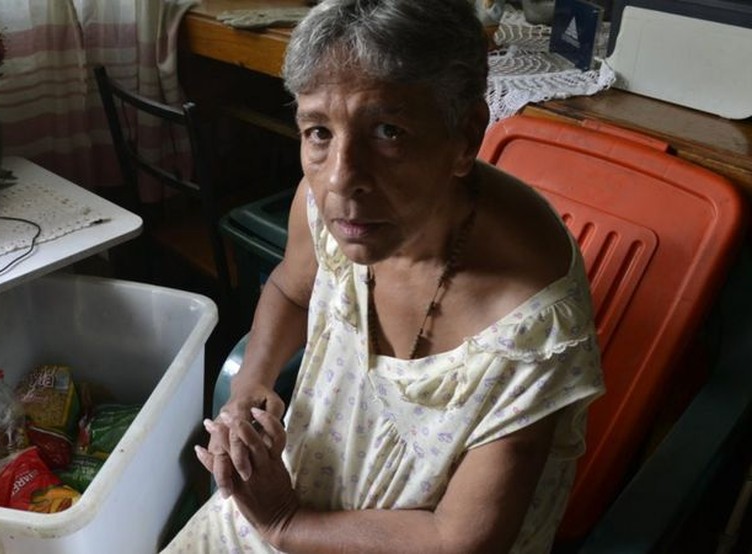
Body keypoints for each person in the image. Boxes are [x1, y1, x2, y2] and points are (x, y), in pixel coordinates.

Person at [162, 0, 604, 551]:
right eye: (318, 131)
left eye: (388, 131)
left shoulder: (530, 328)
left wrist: (283, 522)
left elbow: (460, 540)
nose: (342, 181)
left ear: (466, 135)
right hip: (303, 491)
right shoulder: (330, 210)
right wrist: (250, 385)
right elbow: (290, 290)